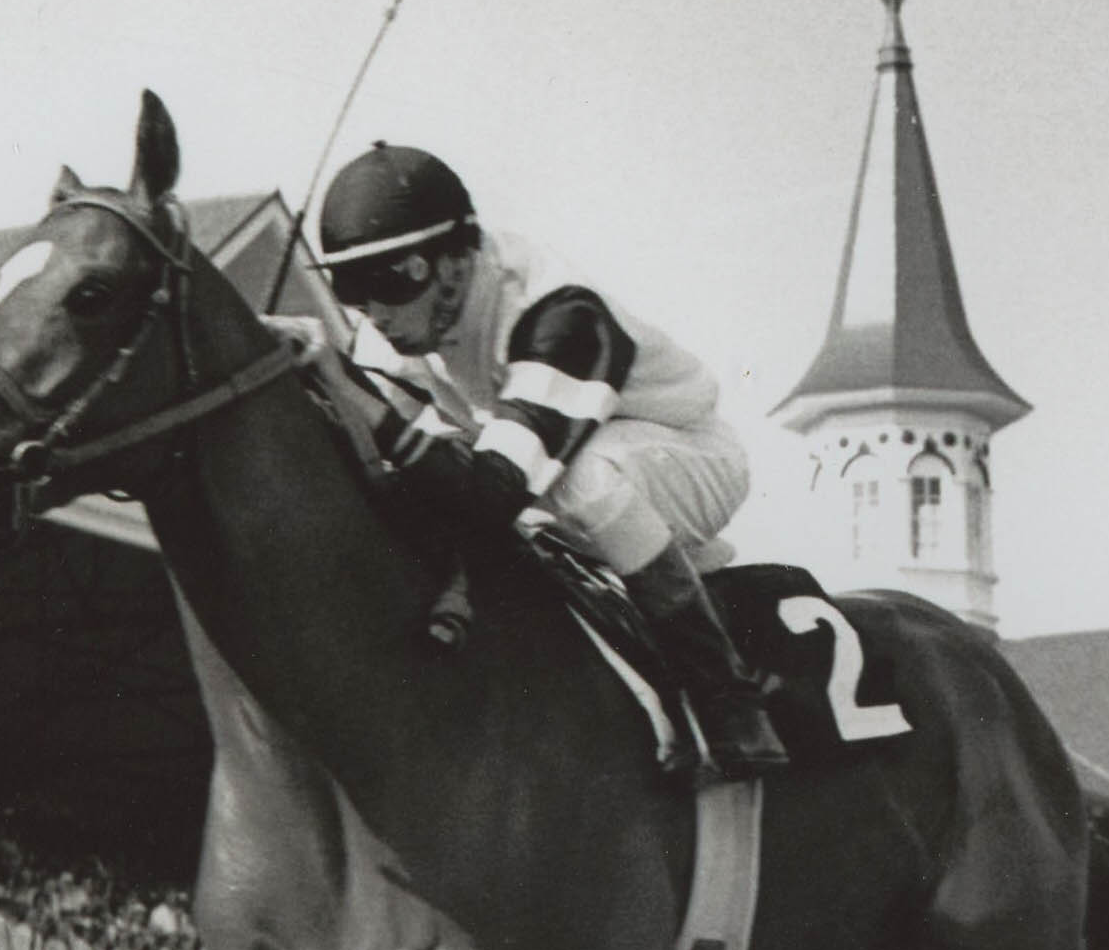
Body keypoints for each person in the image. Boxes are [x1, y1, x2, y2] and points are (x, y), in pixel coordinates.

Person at [310, 141, 789, 778]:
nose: (375, 312)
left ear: (457, 258)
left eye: (392, 280)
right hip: (545, 462)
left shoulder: (560, 316)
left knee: (584, 481)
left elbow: (489, 495)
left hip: (685, 452)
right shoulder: (392, 334)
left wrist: (354, 397)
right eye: (349, 287)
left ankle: (727, 698)